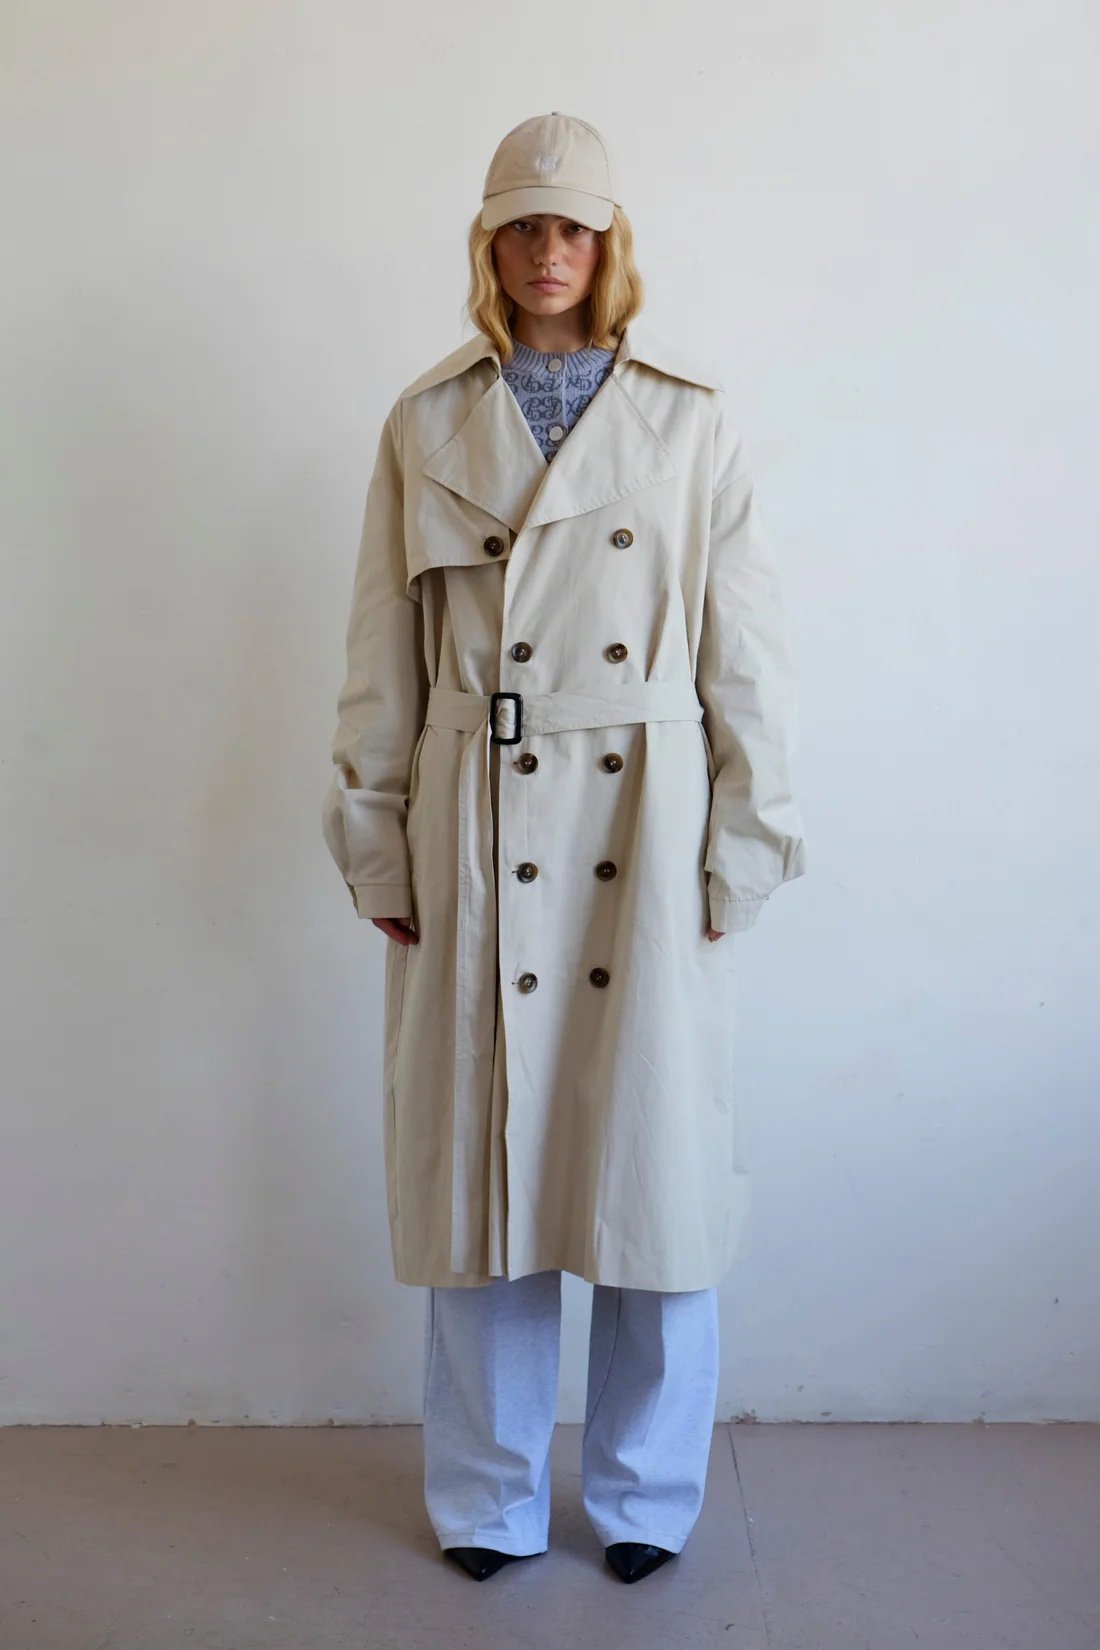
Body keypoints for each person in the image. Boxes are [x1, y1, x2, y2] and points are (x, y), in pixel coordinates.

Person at [321, 111, 807, 1585]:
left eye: (574, 226)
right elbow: (380, 652)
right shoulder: (424, 421)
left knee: (655, 1179)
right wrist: (375, 839)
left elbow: (746, 653)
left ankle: (647, 1494)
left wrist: (747, 837)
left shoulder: (689, 419)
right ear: (489, 243)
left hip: (643, 822)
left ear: (610, 243)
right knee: (484, 1178)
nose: (549, 251)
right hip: (473, 814)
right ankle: (489, 1498)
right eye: (523, 225)